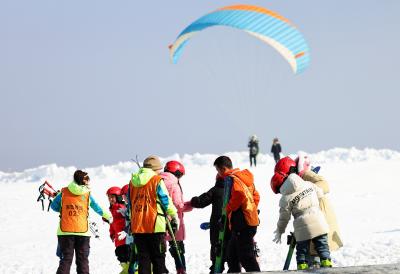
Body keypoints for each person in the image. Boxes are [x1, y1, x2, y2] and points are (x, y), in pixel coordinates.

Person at [270, 157, 332, 270]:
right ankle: (326, 261)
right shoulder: (307, 184)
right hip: (319, 220)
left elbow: (284, 218)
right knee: (322, 245)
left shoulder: (285, 199)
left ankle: (302, 266)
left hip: (301, 226)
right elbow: (319, 192)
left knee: (302, 251)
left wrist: (280, 231)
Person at [50, 170, 112, 274]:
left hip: (64, 232)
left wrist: (64, 209)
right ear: (84, 181)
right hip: (83, 232)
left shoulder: (64, 192)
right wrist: (108, 216)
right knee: (82, 260)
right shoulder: (87, 194)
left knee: (66, 260)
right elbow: (97, 208)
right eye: (88, 179)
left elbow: (53, 206)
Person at [129, 155, 178, 274]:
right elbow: (165, 200)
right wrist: (174, 216)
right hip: (155, 225)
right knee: (158, 259)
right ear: (155, 170)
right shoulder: (156, 181)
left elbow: (130, 204)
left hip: (138, 227)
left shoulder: (132, 182)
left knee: (143, 260)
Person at [295, 153, 343, 267]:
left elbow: (325, 185)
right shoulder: (307, 185)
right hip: (314, 230)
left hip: (318, 232)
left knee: (315, 264)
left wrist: (304, 172)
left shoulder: (312, 184)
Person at [215, 155, 261, 272]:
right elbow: (256, 196)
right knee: (232, 256)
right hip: (247, 222)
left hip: (243, 224)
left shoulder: (232, 179)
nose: (218, 174)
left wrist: (228, 207)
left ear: (223, 169)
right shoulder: (243, 178)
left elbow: (239, 194)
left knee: (246, 257)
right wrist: (251, 210)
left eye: (218, 170)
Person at [186, 174, 228, 273]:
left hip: (217, 227)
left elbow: (200, 202)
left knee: (217, 253)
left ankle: (216, 268)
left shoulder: (216, 190)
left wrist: (193, 201)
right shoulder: (235, 189)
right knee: (232, 258)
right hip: (232, 226)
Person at [160, 160, 192, 274]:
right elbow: (178, 205)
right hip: (173, 221)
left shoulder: (157, 181)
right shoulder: (174, 184)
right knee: (178, 248)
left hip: (158, 221)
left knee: (159, 250)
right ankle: (181, 270)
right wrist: (191, 205)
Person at [106, 186, 131, 274]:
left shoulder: (122, 207)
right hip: (118, 239)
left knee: (128, 255)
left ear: (118, 197)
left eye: (112, 197)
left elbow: (129, 220)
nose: (110, 199)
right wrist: (112, 233)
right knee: (120, 255)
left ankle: (131, 270)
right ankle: (126, 269)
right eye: (109, 197)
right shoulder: (112, 209)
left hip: (126, 239)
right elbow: (113, 224)